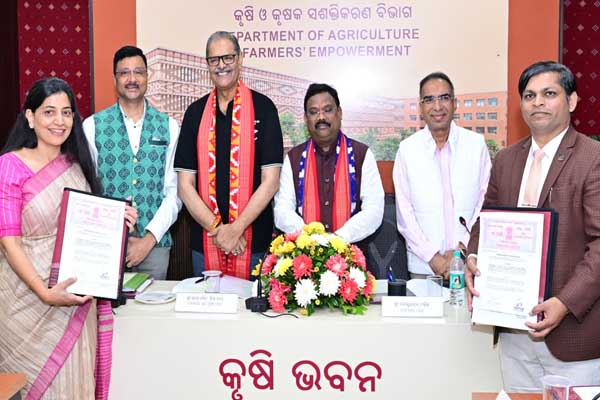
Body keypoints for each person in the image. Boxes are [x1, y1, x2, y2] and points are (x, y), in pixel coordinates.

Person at [466, 61, 600, 391]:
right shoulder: (506, 159)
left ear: (571, 101)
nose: (537, 102)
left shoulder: (593, 157)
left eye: (549, 93)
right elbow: (485, 221)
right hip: (514, 332)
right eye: (529, 95)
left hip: (572, 335)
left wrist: (564, 303)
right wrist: (473, 257)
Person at [0, 78, 136, 399]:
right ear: (30, 117)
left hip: (74, 298)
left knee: (74, 385)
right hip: (25, 301)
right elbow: (9, 242)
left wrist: (118, 222)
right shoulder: (9, 167)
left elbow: (87, 227)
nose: (59, 121)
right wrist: (45, 292)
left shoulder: (75, 166)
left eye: (66, 112)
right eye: (49, 112)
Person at [174, 31, 283, 279]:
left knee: (254, 304)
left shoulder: (264, 108)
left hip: (253, 242)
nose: (221, 65)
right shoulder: (194, 113)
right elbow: (185, 186)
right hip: (205, 242)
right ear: (207, 64)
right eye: (214, 59)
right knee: (207, 304)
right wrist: (219, 230)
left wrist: (237, 229)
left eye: (228, 57)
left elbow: (271, 181)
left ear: (240, 58)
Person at [83, 45, 181, 280]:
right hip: (105, 244)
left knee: (152, 304)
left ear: (147, 76)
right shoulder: (92, 126)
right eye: (124, 73)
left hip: (155, 246)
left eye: (138, 72)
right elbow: (88, 189)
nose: (132, 79)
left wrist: (149, 238)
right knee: (107, 304)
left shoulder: (169, 126)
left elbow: (174, 192)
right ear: (115, 79)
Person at [393, 72, 491, 279]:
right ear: (421, 107)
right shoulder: (407, 150)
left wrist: (461, 250)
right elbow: (404, 213)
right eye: (429, 100)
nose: (437, 106)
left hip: (469, 263)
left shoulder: (476, 145)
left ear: (454, 103)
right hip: (423, 266)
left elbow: (485, 201)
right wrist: (434, 258)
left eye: (444, 98)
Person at [274, 83, 384, 243]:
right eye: (313, 112)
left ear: (339, 113)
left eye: (327, 110)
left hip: (352, 253)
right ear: (305, 118)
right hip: (304, 253)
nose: (321, 117)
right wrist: (310, 238)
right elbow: (282, 210)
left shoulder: (362, 154)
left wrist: (339, 239)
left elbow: (374, 209)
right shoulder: (293, 158)